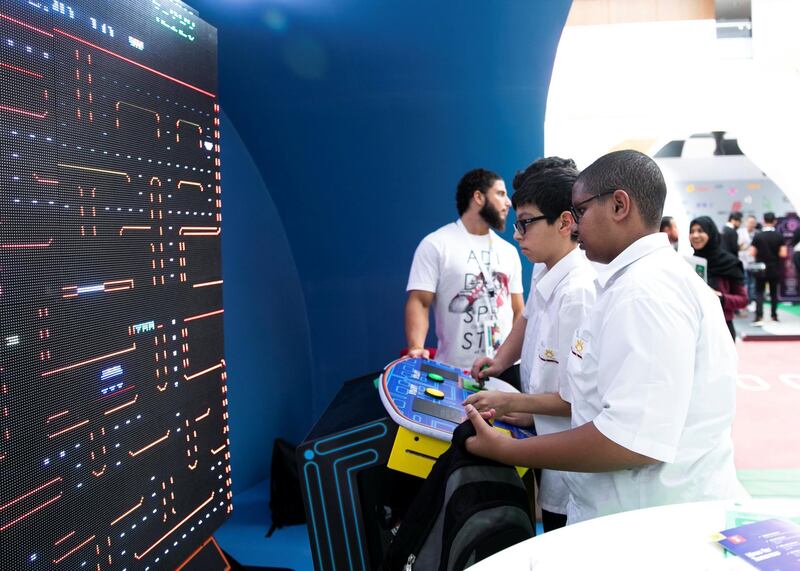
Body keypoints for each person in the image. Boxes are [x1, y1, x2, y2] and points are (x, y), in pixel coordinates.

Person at [464, 150, 745, 524]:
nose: (574, 226)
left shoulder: (644, 294)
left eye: (580, 211)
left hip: (649, 523)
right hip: (626, 512)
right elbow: (587, 397)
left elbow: (630, 441)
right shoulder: (627, 283)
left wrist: (509, 450)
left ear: (618, 205)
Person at [464, 157, 596, 532]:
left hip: (572, 470)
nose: (516, 234)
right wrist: (499, 361)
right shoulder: (544, 266)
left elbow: (575, 400)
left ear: (565, 223)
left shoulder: (579, 293)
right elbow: (527, 318)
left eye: (525, 223)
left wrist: (513, 402)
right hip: (545, 434)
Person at [405, 168, 524, 372]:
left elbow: (518, 310)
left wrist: (513, 359)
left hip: (505, 370)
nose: (508, 203)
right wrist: (417, 347)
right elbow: (420, 302)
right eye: (501, 194)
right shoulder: (436, 244)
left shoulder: (509, 251)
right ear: (478, 197)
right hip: (454, 371)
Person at [689, 216, 748, 339]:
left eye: (700, 231)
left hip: (722, 328)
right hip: (694, 328)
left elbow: (743, 300)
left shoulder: (730, 263)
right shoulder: (690, 263)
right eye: (692, 231)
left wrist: (720, 297)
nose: (695, 235)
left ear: (711, 233)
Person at [750, 212, 788, 324]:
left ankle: (759, 317)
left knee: (759, 292)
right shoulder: (779, 236)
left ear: (763, 220)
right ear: (775, 221)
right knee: (773, 292)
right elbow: (783, 254)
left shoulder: (758, 236)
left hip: (760, 268)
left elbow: (752, 252)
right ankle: (774, 316)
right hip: (774, 267)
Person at [738, 215, 758, 306]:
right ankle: (745, 300)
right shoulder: (739, 232)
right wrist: (744, 247)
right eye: (750, 222)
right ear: (746, 222)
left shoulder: (757, 233)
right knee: (745, 282)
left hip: (754, 262)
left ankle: (752, 300)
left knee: (753, 282)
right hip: (742, 261)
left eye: (753, 223)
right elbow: (737, 246)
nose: (751, 224)